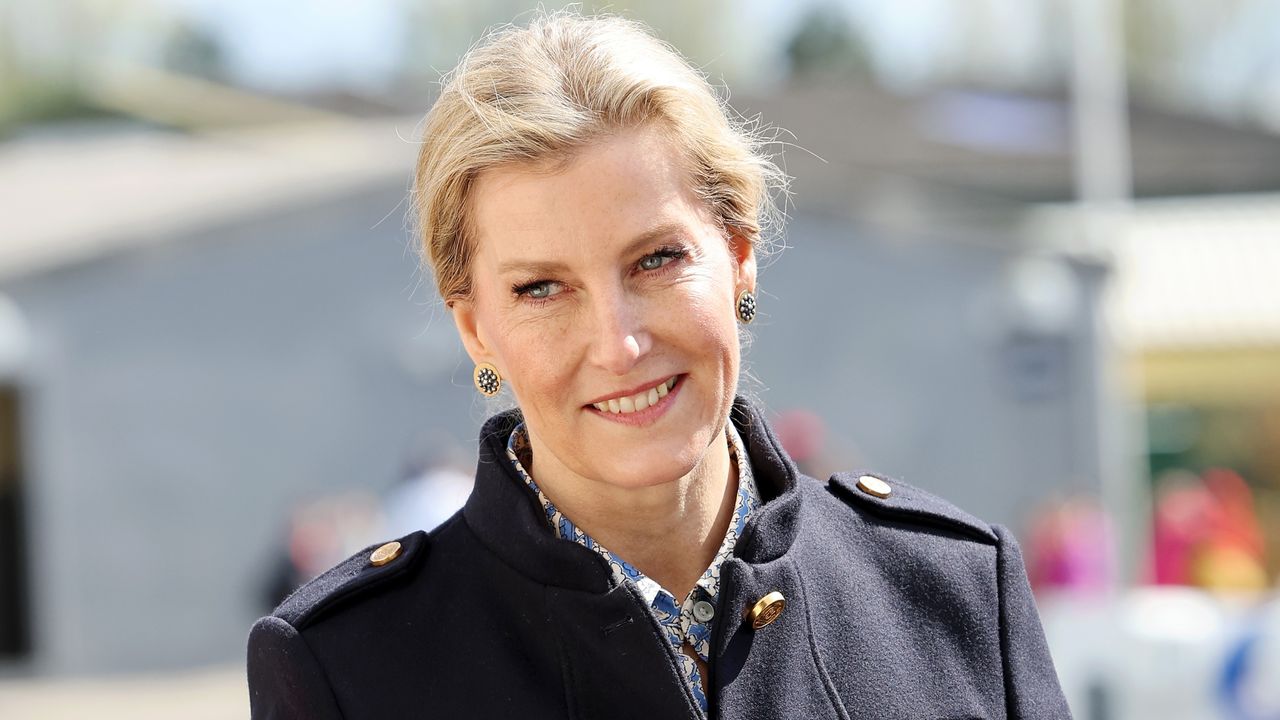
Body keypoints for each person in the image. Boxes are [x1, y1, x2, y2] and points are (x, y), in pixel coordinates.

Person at [246, 11, 1071, 719]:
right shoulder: (346, 666)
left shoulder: (953, 592)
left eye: (655, 260)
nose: (618, 344)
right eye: (542, 289)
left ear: (740, 256)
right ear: (476, 330)